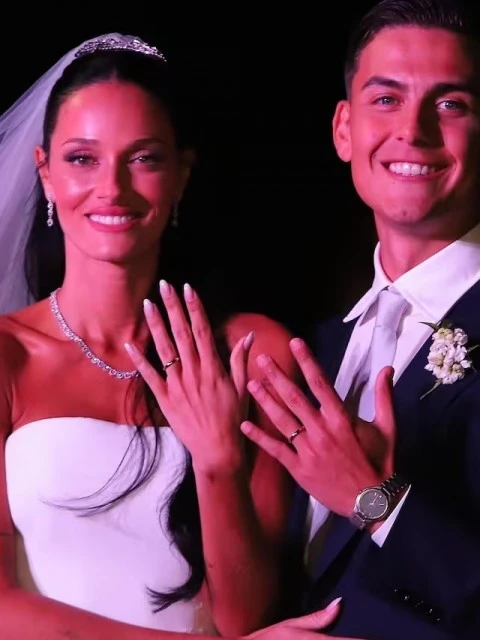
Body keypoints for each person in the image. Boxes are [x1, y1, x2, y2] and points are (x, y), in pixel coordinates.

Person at [0, 32, 310, 638]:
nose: (111, 188)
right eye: (82, 159)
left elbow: (247, 618)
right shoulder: (8, 356)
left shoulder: (254, 353)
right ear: (45, 173)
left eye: (143, 158)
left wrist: (217, 461)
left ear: (181, 176)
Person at [239, 0, 480, 638]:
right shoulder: (320, 346)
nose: (414, 130)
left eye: (450, 103)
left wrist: (378, 502)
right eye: (386, 99)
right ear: (344, 129)